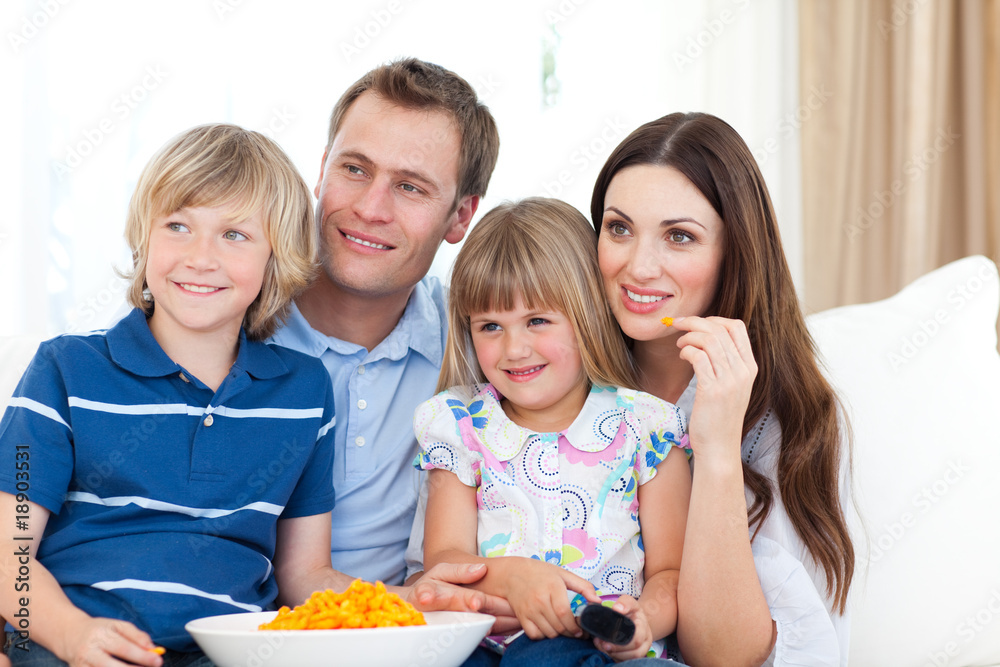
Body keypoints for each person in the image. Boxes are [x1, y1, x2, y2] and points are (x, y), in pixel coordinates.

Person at [0, 123, 493, 667]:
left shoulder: (304, 394)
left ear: (274, 259)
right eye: (178, 226)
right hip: (67, 643)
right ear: (144, 237)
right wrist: (70, 635)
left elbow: (305, 576)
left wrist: (405, 604)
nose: (200, 257)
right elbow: (8, 550)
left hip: (228, 651)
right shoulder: (66, 369)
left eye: (234, 236)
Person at [591, 112, 855, 667]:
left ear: (734, 252)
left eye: (679, 236)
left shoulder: (791, 418)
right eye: (619, 228)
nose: (638, 266)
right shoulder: (552, 375)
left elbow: (727, 658)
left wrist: (714, 450)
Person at [416, 198, 692, 666]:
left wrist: (641, 619)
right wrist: (514, 579)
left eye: (537, 321)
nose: (514, 348)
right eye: (490, 326)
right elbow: (444, 561)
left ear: (586, 315)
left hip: (610, 650)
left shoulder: (646, 426)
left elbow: (672, 571)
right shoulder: (460, 425)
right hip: (495, 646)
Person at [269, 57, 501, 586]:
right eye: (355, 169)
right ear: (322, 169)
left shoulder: (485, 346)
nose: (371, 208)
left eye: (411, 187)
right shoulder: (222, 317)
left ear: (461, 216)